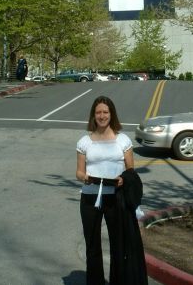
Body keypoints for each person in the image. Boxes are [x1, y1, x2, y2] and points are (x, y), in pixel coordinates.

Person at [76, 95, 148, 285]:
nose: (102, 116)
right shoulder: (84, 141)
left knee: (118, 245)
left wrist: (122, 179)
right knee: (92, 246)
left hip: (116, 198)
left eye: (105, 112)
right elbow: (78, 171)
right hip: (90, 198)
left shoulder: (122, 140)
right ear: (93, 115)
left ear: (111, 114)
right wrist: (85, 177)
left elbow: (131, 171)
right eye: (98, 112)